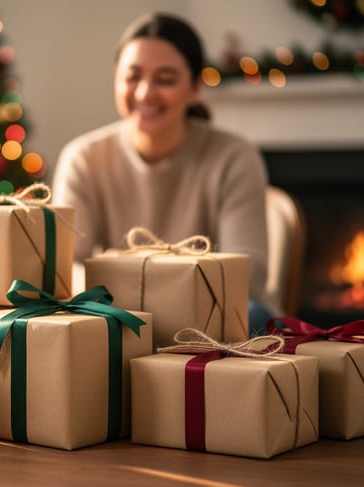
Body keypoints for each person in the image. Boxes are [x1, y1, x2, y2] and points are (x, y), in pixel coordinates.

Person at [51, 12, 273, 335]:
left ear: (196, 87)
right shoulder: (83, 157)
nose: (144, 93)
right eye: (132, 77)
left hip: (216, 317)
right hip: (120, 314)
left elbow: (247, 275)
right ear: (116, 79)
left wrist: (128, 273)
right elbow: (65, 273)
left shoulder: (234, 156)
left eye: (165, 79)